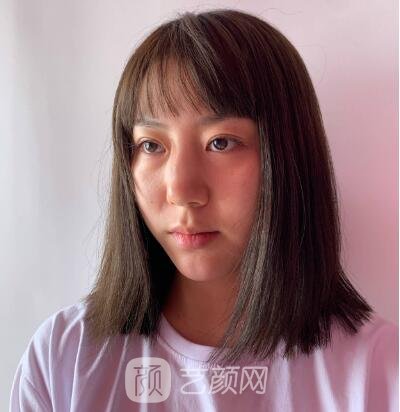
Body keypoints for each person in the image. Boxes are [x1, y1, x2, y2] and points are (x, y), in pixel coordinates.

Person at [10, 8, 398, 411]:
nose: (181, 190)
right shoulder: (63, 360)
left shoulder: (380, 373)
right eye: (151, 145)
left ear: (288, 156)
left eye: (220, 143)